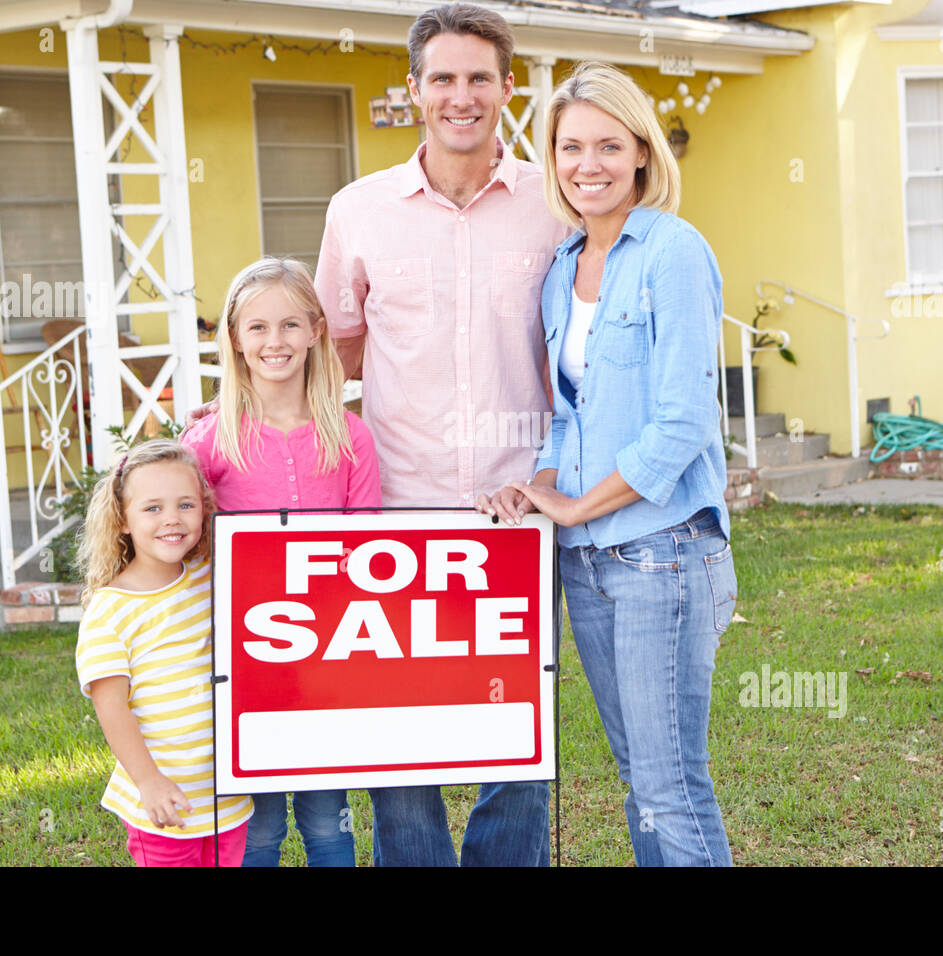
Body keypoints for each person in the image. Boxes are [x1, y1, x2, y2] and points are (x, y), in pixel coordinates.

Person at [311, 3, 568, 866]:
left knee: (517, 736)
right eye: (444, 79)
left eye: (480, 78)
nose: (463, 96)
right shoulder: (359, 211)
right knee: (400, 732)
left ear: (506, 87)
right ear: (414, 89)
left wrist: (550, 480)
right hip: (395, 511)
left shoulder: (556, 203)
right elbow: (332, 356)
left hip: (520, 507)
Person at [478, 61, 738, 866]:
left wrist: (580, 507)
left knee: (671, 782)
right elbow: (568, 418)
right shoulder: (563, 270)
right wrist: (540, 486)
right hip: (586, 566)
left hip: (662, 549)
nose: (587, 164)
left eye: (607, 145)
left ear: (640, 155)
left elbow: (685, 419)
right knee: (638, 775)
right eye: (569, 147)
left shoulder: (672, 250)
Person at [182, 256, 381, 867]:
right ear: (236, 341)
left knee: (328, 823)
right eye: (258, 328)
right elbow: (174, 543)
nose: (276, 342)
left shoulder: (351, 436)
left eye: (291, 325)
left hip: (326, 661)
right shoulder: (209, 440)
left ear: (318, 331)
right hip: (243, 666)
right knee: (257, 830)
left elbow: (369, 553)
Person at [74, 438, 253, 866]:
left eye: (185, 505)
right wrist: (149, 781)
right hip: (162, 801)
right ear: (121, 519)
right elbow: (112, 707)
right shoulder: (110, 610)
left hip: (225, 796)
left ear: (205, 509)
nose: (172, 520)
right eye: (152, 508)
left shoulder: (213, 576)